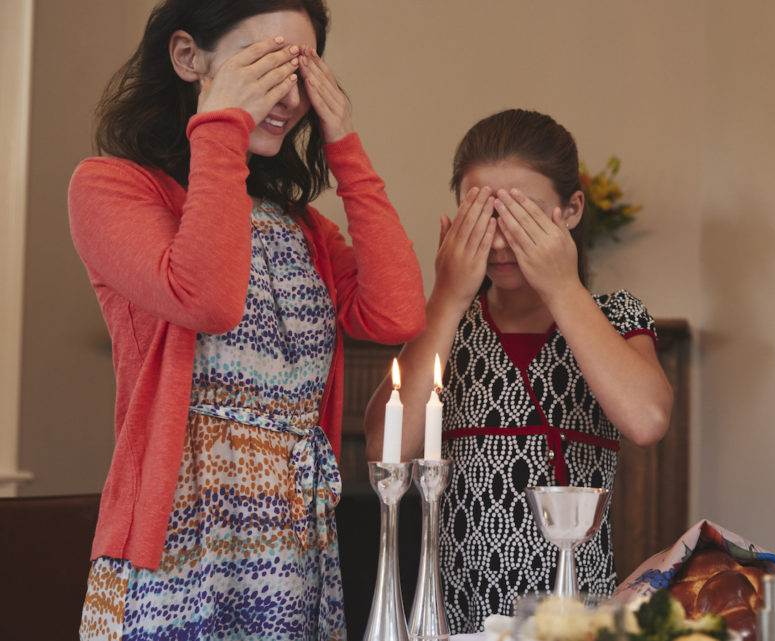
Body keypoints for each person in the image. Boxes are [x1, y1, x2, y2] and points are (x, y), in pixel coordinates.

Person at [68, 1, 425, 639]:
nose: (285, 96)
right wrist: (221, 128)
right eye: (262, 64)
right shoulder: (112, 188)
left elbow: (395, 312)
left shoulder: (303, 226)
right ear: (187, 57)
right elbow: (207, 297)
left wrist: (345, 145)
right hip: (179, 545)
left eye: (301, 73)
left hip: (296, 550)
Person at [363, 109, 673, 633]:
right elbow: (384, 454)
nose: (502, 239)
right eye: (481, 215)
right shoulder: (446, 324)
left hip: (572, 619)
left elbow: (646, 419)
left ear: (571, 210)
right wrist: (446, 298)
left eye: (522, 215)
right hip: (452, 614)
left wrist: (561, 286)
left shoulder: (615, 316)